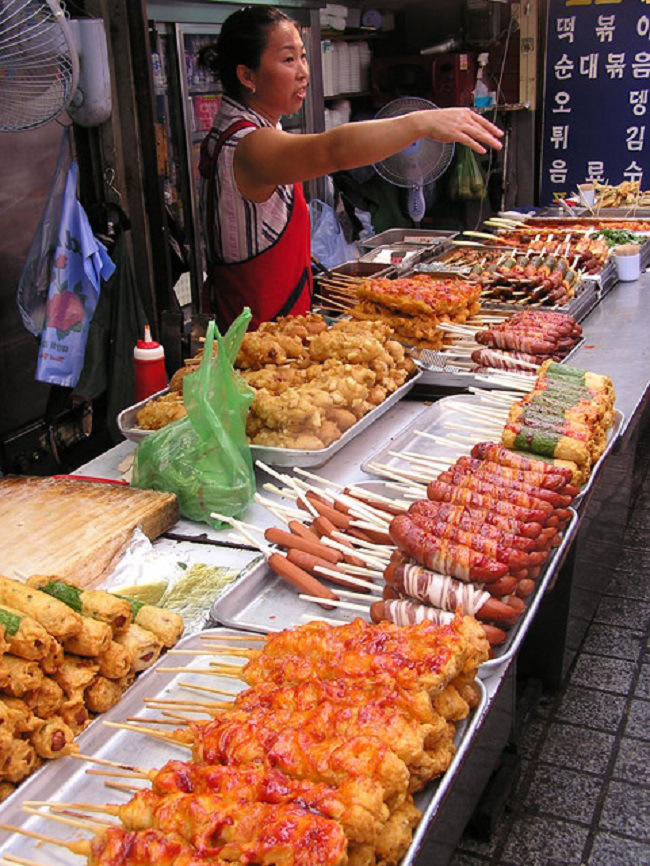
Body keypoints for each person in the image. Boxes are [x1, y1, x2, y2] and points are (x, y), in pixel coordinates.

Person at [198, 5, 503, 332]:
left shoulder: (248, 131)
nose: (304, 71)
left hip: (282, 337)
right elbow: (332, 150)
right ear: (247, 76)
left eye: (303, 56)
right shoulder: (247, 146)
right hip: (259, 354)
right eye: (288, 59)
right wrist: (420, 123)